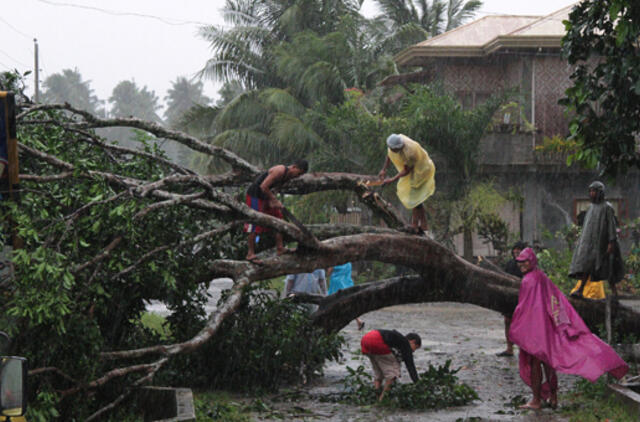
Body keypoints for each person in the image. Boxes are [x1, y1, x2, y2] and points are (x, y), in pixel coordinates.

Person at [509, 247, 628, 410]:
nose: (521, 264)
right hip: (547, 328)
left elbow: (525, 307)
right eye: (520, 261)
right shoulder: (542, 277)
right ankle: (553, 397)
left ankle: (536, 400)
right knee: (547, 362)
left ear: (532, 261)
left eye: (525, 261)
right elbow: (555, 301)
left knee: (536, 362)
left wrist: (519, 327)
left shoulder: (529, 280)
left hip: (536, 330)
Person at [244, 160, 309, 261]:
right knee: (254, 223)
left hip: (265, 197)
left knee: (279, 219)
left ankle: (280, 248)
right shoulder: (280, 170)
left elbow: (275, 188)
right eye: (299, 173)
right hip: (255, 195)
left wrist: (272, 200)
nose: (298, 176)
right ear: (294, 167)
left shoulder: (288, 177)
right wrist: (274, 200)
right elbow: (263, 186)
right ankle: (250, 254)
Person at [569, 181, 624, 298]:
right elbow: (588, 227)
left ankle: (615, 294)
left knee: (608, 270)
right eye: (590, 191)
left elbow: (611, 226)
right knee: (586, 266)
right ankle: (581, 289)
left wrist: (611, 242)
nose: (591, 193)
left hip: (602, 244)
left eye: (594, 191)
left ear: (600, 192)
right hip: (590, 244)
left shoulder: (607, 208)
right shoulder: (591, 208)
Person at [378, 134, 435, 232]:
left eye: (393, 149)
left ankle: (414, 225)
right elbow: (389, 155)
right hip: (413, 169)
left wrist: (392, 179)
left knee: (414, 198)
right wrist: (384, 169)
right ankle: (424, 225)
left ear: (399, 148)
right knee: (418, 199)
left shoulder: (410, 152)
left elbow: (407, 170)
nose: (391, 150)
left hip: (421, 169)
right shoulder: (394, 144)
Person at [360, 329, 421, 401]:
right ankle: (382, 400)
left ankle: (376, 395)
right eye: (415, 348)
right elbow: (411, 367)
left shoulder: (397, 339)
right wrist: (418, 384)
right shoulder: (405, 344)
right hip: (377, 341)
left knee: (379, 373)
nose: (413, 351)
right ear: (412, 341)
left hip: (365, 340)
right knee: (393, 374)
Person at [496, 241, 526, 357]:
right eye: (515, 249)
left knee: (522, 324)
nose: (516, 251)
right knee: (508, 321)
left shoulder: (527, 264)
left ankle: (524, 349)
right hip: (509, 298)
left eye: (519, 249)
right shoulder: (510, 264)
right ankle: (509, 348)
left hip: (522, 298)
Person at [327, 263, 365, 330]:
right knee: (349, 304)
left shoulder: (335, 261)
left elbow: (329, 273)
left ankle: (332, 323)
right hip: (347, 283)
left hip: (336, 284)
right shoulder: (349, 263)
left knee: (332, 303)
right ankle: (358, 320)